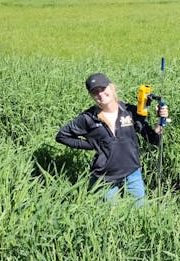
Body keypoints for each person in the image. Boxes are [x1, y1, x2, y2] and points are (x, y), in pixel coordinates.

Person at [55, 72, 168, 204]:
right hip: (104, 178)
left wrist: (160, 120)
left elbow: (153, 140)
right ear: (91, 96)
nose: (100, 94)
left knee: (140, 213)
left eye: (102, 89)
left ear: (112, 88)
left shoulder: (130, 111)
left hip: (132, 173)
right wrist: (91, 144)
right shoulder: (88, 118)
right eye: (95, 92)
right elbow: (62, 136)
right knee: (110, 217)